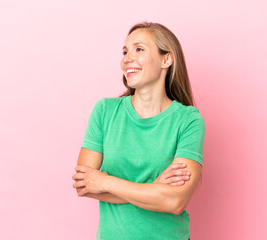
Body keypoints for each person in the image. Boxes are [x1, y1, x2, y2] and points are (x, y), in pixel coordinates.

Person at [72, 21, 205, 240]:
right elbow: (84, 184)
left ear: (167, 59)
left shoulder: (189, 120)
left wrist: (104, 181)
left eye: (139, 49)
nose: (127, 58)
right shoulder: (105, 111)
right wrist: (154, 189)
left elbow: (175, 201)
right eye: (125, 51)